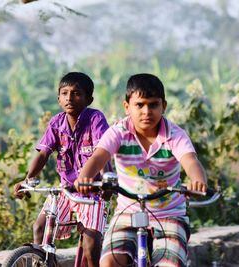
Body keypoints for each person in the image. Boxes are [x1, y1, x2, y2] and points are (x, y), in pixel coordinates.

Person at [75, 73, 208, 267]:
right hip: (128, 211)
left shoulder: (175, 135)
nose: (146, 111)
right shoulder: (118, 132)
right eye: (139, 105)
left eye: (153, 104)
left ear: (164, 106)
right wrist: (84, 177)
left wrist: (198, 180)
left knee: (170, 265)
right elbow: (98, 156)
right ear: (127, 106)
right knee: (109, 262)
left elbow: (191, 161)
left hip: (170, 213)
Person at [14, 72, 111, 267]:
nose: (69, 98)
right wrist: (27, 179)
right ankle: (46, 262)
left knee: (91, 244)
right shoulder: (56, 123)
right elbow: (43, 153)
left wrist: (106, 181)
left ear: (88, 99)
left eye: (76, 93)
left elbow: (103, 152)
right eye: (64, 93)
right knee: (40, 228)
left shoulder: (95, 119)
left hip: (92, 191)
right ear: (58, 98)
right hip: (65, 189)